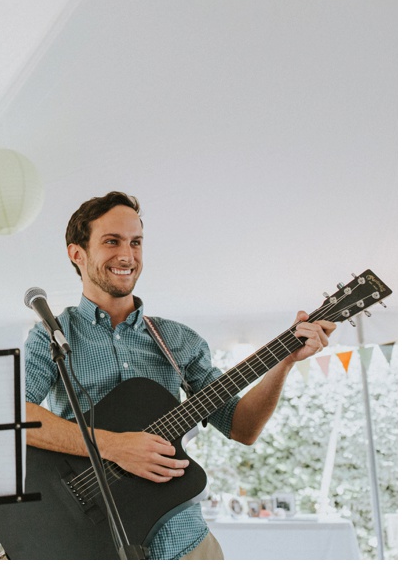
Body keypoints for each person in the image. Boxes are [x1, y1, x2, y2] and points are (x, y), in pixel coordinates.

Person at [24, 192, 335, 559]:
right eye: (112, 241)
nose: (127, 255)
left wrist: (284, 362)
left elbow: (242, 427)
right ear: (77, 253)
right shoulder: (51, 335)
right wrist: (115, 446)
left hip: (184, 542)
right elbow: (15, 414)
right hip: (95, 542)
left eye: (136, 242)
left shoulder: (178, 340)